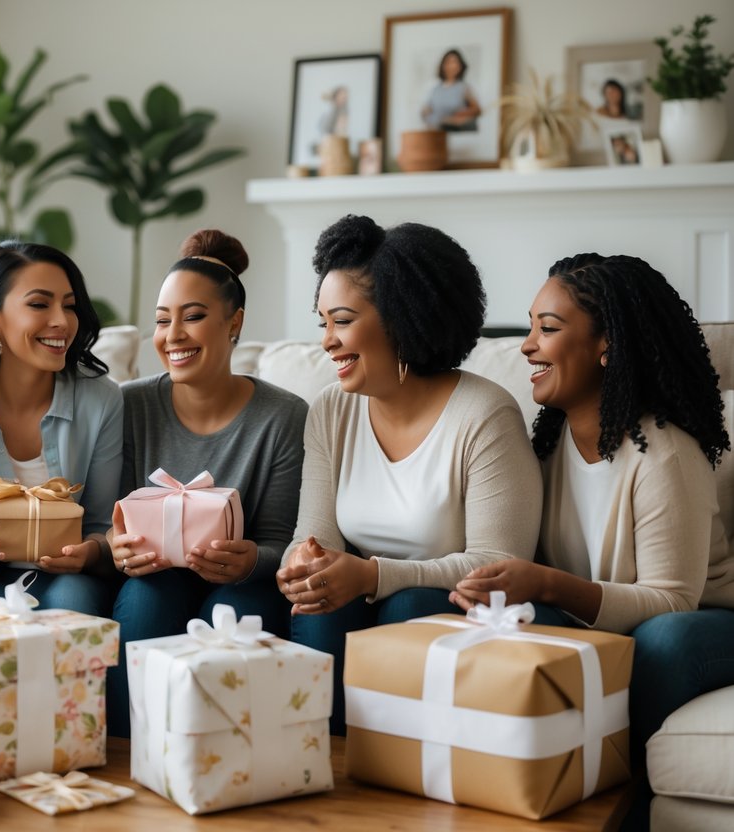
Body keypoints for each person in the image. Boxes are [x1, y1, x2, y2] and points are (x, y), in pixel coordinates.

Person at [450, 254, 734, 828]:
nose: (527, 346)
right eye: (529, 326)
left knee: (665, 641)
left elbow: (673, 601)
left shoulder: (665, 453)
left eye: (547, 330)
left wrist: (547, 584)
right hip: (608, 626)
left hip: (705, 622)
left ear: (607, 344)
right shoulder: (545, 450)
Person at [276, 214, 541, 735]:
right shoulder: (331, 411)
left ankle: (399, 770)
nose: (327, 341)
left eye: (343, 321)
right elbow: (313, 536)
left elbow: (499, 564)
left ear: (400, 319)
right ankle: (313, 762)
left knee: (413, 603)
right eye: (322, 323)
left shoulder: (485, 414)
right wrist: (301, 563)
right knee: (320, 599)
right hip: (365, 607)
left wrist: (373, 575)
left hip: (456, 613)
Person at [107, 229, 307, 737]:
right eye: (161, 320)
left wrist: (252, 561)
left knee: (234, 614)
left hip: (245, 585)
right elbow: (110, 518)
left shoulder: (282, 418)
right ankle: (135, 752)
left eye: (192, 317)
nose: (172, 335)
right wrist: (117, 545)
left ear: (234, 322)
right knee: (147, 599)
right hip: (152, 580)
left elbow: (284, 539)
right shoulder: (129, 407)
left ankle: (227, 758)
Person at [0, 242, 122, 616]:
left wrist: (91, 551)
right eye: (39, 304)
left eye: (69, 305)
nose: (62, 321)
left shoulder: (103, 401)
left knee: (72, 600)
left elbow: (102, 524)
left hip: (73, 578)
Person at [421, 48, 481, 132]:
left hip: (457, 131)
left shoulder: (464, 87)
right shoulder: (435, 89)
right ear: (443, 65)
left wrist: (457, 116)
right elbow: (426, 111)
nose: (452, 66)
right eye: (449, 62)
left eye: (455, 62)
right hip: (437, 131)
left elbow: (476, 110)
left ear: (460, 66)